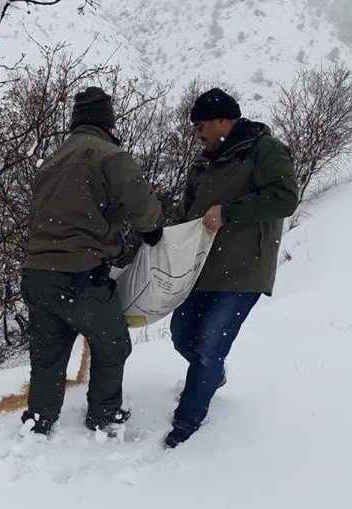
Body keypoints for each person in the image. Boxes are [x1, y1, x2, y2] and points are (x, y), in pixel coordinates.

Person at [20, 86, 162, 436]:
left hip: (37, 273)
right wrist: (153, 230)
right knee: (112, 343)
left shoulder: (51, 161)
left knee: (48, 354)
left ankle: (39, 419)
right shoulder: (110, 155)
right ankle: (104, 416)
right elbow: (140, 203)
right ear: (107, 121)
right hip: (79, 274)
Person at [165, 88, 299, 448]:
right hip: (201, 269)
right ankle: (212, 375)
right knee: (181, 334)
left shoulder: (265, 150)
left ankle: (187, 419)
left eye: (202, 126)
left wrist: (229, 211)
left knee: (209, 345)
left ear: (225, 120)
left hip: (243, 270)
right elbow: (188, 214)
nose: (198, 134)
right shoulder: (203, 162)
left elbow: (285, 198)